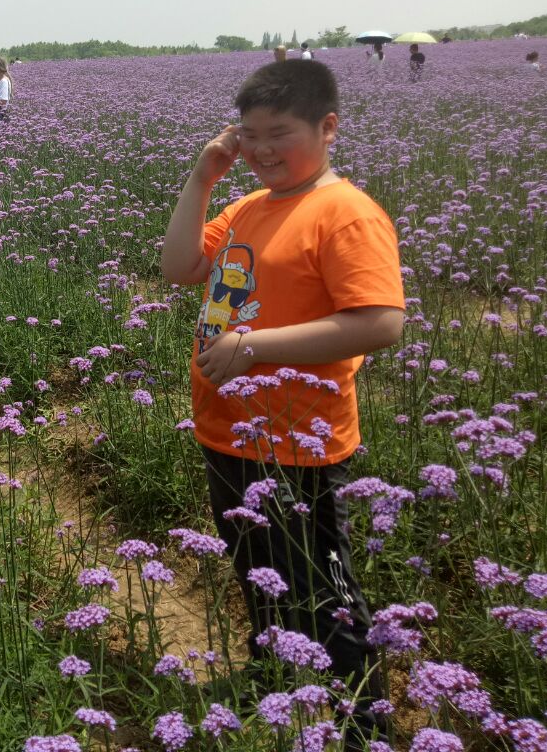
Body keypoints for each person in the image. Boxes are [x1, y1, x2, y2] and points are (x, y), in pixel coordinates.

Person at [161, 60, 405, 748]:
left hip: (301, 444)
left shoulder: (344, 211)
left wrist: (259, 346)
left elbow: (381, 321)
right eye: (249, 135)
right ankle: (277, 686)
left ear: (328, 128)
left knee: (328, 591)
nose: (263, 149)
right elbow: (179, 268)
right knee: (260, 575)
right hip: (228, 433)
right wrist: (202, 178)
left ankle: (363, 724)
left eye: (280, 133)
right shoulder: (247, 207)